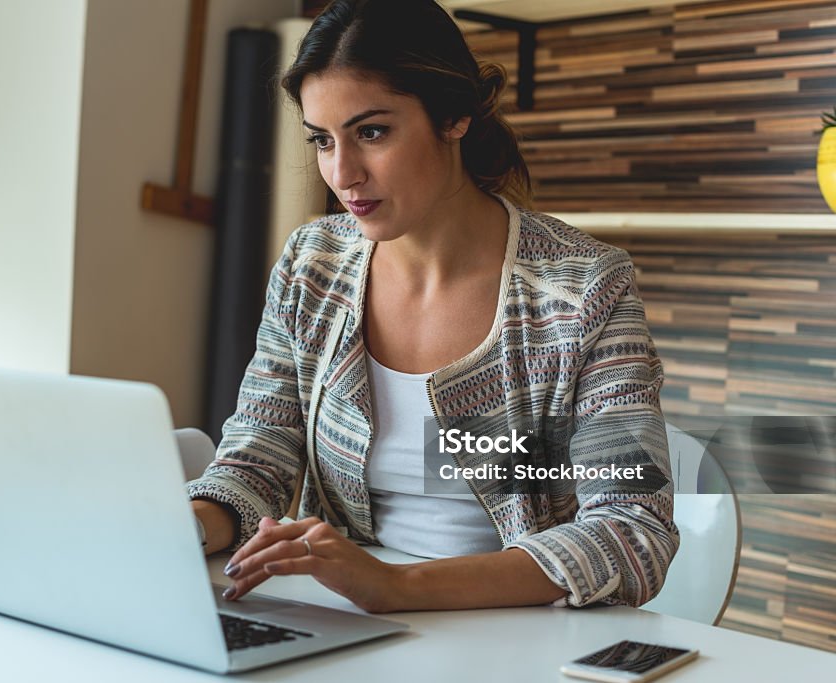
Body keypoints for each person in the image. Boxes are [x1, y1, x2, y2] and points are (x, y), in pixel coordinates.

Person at [188, 0, 678, 613]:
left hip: (516, 631)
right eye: (322, 140)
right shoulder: (311, 264)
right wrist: (184, 524)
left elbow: (632, 527)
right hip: (349, 620)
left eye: (372, 132)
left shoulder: (584, 288)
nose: (343, 173)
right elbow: (259, 456)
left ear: (454, 117)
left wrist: (397, 588)